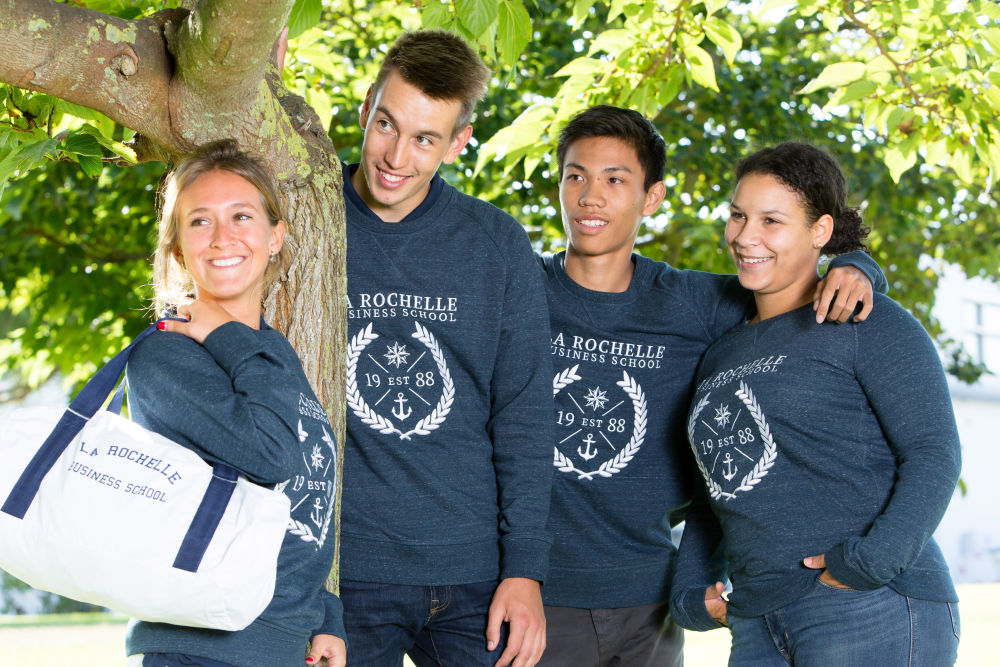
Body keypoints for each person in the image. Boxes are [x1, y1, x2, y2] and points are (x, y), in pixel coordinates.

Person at [536, 107, 887, 666]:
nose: (590, 196)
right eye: (575, 176)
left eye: (615, 180)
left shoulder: (695, 303)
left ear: (652, 197)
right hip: (535, 594)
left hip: (648, 602)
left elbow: (793, 281)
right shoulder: (519, 288)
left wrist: (857, 266)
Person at [671, 142, 961, 665]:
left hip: (868, 605)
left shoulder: (866, 321)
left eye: (771, 220)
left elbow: (933, 453)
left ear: (820, 230)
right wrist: (691, 593)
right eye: (738, 215)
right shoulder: (720, 353)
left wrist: (867, 564)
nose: (746, 236)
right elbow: (714, 492)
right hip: (756, 618)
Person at [339, 30, 552, 667]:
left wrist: (525, 571)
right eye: (386, 124)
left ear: (458, 144)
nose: (396, 156)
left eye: (425, 139)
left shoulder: (497, 244)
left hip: (472, 575)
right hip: (344, 570)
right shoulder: (303, 220)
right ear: (366, 109)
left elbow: (524, 417)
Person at [123, 140, 347, 667]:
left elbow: (301, 501)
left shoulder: (269, 352)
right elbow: (273, 457)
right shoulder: (165, 357)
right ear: (179, 251)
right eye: (200, 221)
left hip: (280, 644)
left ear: (275, 236)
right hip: (202, 650)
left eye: (241, 216)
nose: (223, 237)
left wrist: (324, 616)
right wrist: (226, 332)